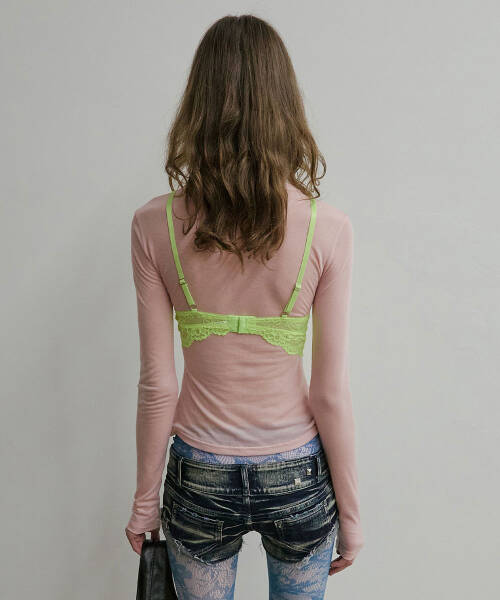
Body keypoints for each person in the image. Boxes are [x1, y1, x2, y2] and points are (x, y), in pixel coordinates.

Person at [125, 14, 363, 599]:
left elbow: (158, 384)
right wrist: (352, 515)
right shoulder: (327, 228)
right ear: (284, 105)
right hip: (297, 476)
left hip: (199, 475)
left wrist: (144, 501)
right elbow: (329, 393)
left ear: (197, 105)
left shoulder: (154, 225)